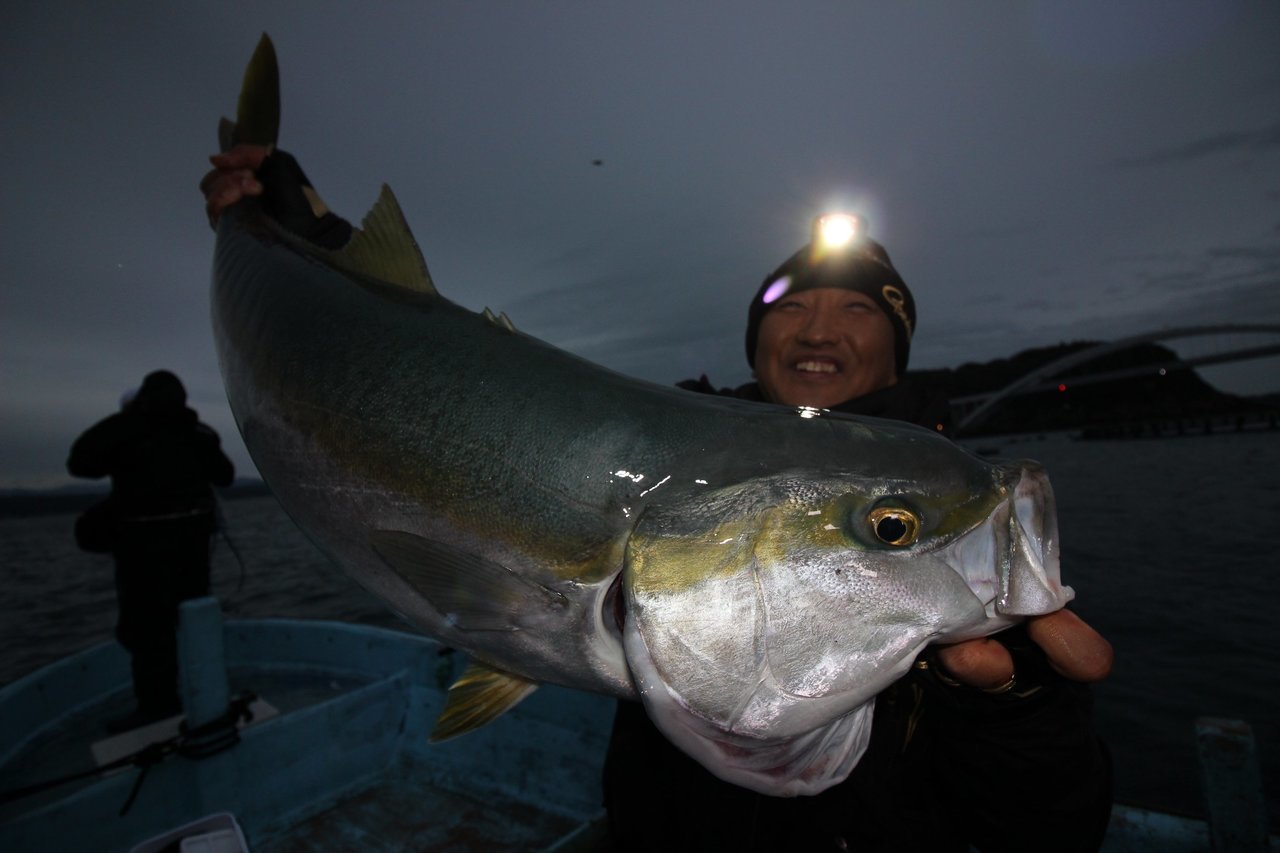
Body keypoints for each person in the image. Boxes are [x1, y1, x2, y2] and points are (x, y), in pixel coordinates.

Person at [202, 149, 1114, 850]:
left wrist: (1018, 708)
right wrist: (297, 229)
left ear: (898, 345)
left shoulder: (960, 517)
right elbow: (453, 365)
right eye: (792, 306)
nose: (820, 329)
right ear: (758, 337)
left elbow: (1057, 828)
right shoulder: (675, 453)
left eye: (858, 309)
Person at [68, 370, 235, 731]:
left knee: (147, 626)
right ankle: (207, 694)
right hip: (192, 545)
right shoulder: (199, 434)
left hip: (141, 551)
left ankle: (158, 706)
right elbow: (225, 475)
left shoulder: (124, 430)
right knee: (192, 614)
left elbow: (80, 462)